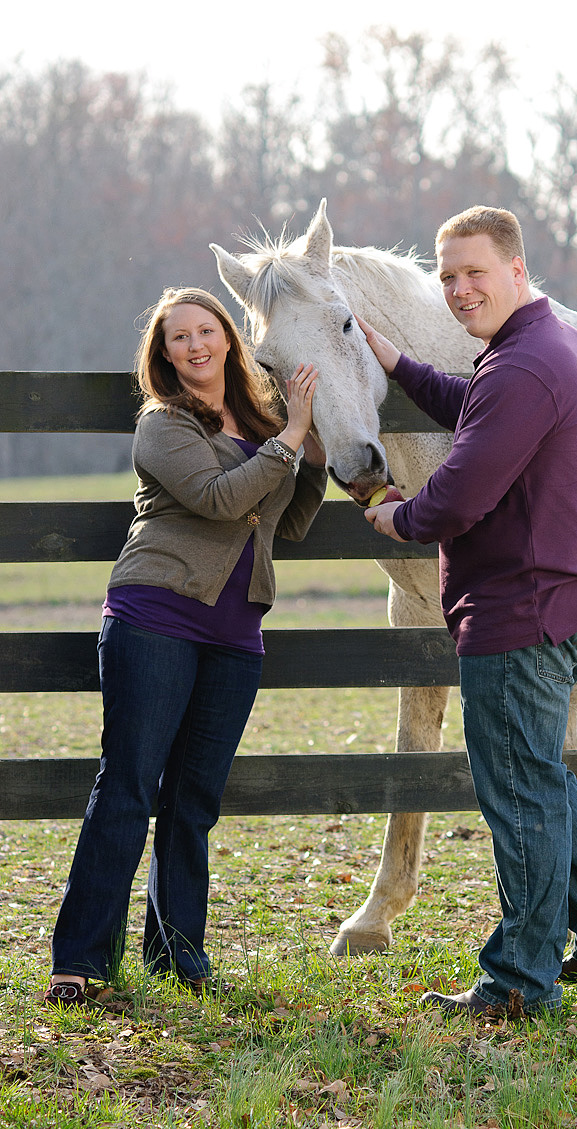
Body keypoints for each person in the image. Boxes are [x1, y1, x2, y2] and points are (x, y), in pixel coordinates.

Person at [359, 206, 577, 1016]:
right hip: (553, 604)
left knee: (518, 791)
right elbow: (475, 407)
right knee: (541, 780)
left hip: (519, 611)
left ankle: (522, 977)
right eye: (447, 275)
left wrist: (400, 516)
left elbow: (459, 492)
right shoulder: (540, 347)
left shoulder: (523, 366)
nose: (459, 289)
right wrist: (397, 361)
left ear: (517, 269)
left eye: (475, 272)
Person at [45, 287, 327, 1007]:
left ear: (229, 340)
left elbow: (283, 524)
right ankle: (79, 960)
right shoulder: (163, 424)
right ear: (164, 354)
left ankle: (177, 952)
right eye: (180, 337)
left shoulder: (264, 421)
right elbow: (221, 498)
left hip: (236, 632)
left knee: (194, 798)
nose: (196, 344)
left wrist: (312, 450)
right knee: (130, 784)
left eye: (207, 330)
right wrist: (288, 440)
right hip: (157, 616)